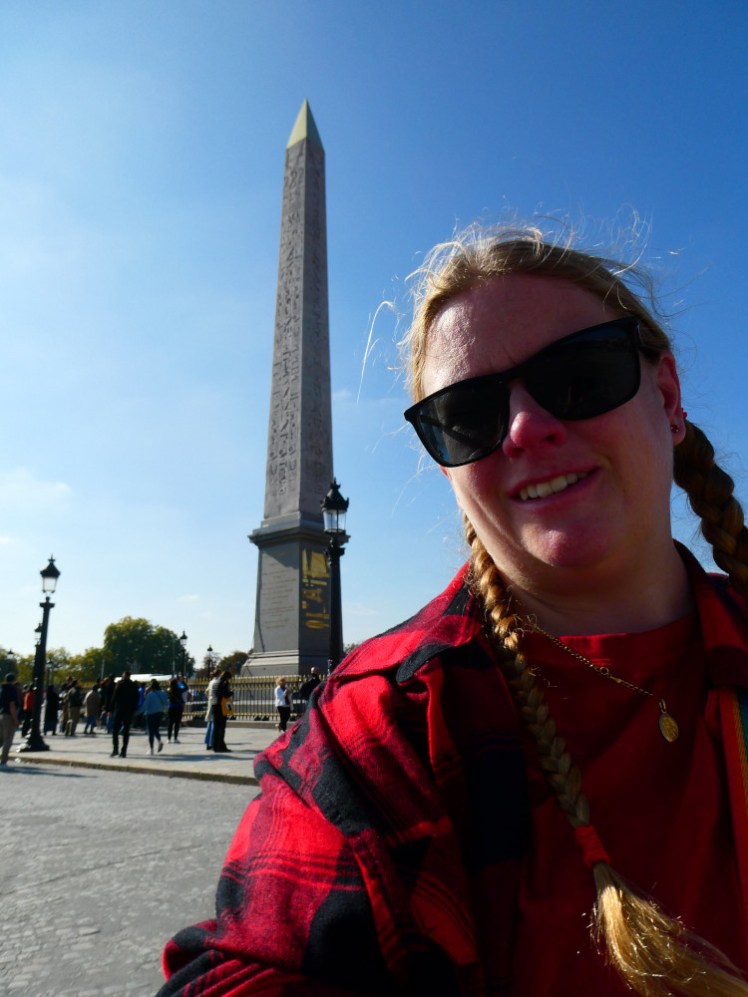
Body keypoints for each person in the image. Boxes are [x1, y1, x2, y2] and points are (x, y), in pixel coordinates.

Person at [159, 225, 748, 996]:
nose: (527, 428)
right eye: (467, 415)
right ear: (447, 464)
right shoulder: (376, 733)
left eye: (579, 375)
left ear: (668, 397)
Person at [110, 670, 139, 759]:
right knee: (126, 731)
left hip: (119, 709)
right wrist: (134, 709)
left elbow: (114, 697)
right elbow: (137, 699)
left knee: (115, 730)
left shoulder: (120, 685)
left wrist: (110, 709)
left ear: (123, 676)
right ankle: (124, 751)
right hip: (129, 711)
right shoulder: (134, 686)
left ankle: (115, 749)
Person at [142, 679, 169, 755]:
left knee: (150, 731)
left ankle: (151, 749)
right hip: (159, 713)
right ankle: (159, 741)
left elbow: (145, 705)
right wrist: (166, 711)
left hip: (150, 713)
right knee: (156, 729)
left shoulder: (150, 694)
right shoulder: (163, 693)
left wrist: (137, 712)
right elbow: (166, 704)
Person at [211, 670, 233, 753]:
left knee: (216, 727)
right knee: (221, 727)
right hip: (221, 705)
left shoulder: (215, 681)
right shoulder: (224, 682)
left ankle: (215, 746)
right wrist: (231, 692)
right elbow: (225, 694)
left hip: (214, 704)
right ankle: (221, 746)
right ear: (227, 677)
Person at [0, 672, 20, 766]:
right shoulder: (12, 689)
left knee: (1, 738)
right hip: (8, 715)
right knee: (8, 739)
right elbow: (12, 705)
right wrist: (15, 719)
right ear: (13, 680)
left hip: (1, 714)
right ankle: (3, 761)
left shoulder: (2, 689)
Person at [167, 677, 184, 743]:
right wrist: (180, 681)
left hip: (171, 707)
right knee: (177, 723)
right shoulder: (179, 689)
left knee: (170, 723)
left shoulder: (169, 690)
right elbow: (185, 687)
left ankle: (168, 738)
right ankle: (175, 738)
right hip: (179, 707)